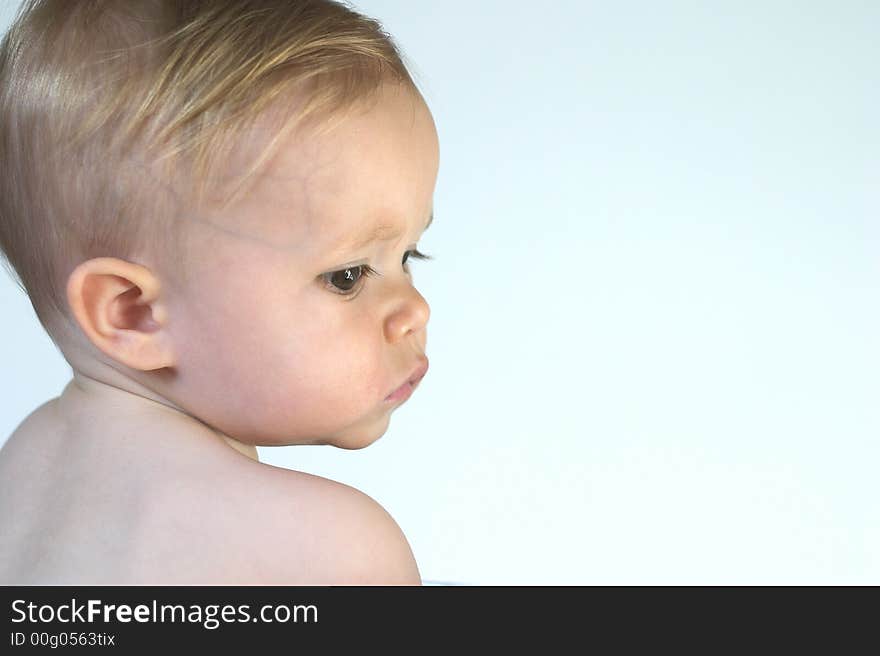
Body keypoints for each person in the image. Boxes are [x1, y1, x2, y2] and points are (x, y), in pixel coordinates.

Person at [0, 0, 439, 584]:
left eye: (408, 256)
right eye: (348, 275)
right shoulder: (330, 550)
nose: (415, 310)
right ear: (134, 314)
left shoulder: (23, 467)